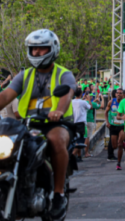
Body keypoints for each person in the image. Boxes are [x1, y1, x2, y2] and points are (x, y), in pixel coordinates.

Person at [0, 29, 76, 220]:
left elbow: (67, 94)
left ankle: (58, 195)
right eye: (34, 49)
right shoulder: (24, 75)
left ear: (52, 49)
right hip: (26, 125)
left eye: (42, 49)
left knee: (55, 139)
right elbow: (5, 96)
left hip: (58, 124)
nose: (37, 53)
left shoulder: (64, 74)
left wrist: (58, 110)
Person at [105, 88, 125, 169]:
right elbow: (106, 112)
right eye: (117, 93)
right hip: (113, 125)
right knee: (114, 146)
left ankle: (123, 145)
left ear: (123, 94)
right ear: (115, 94)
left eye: (120, 93)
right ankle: (124, 143)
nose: (119, 94)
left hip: (122, 126)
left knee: (119, 143)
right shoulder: (111, 102)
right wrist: (107, 122)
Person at [72, 89, 92, 162]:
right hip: (81, 124)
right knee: (81, 141)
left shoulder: (72, 102)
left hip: (73, 123)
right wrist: (89, 99)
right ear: (81, 94)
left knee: (76, 141)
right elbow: (90, 107)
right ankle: (72, 156)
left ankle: (79, 157)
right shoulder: (83, 102)